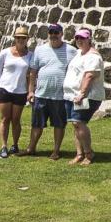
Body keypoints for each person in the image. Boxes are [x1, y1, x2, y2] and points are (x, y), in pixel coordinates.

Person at [26, 22, 75, 158]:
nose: (53, 35)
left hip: (60, 96)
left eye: (56, 33)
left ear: (61, 34)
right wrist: (31, 91)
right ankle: (31, 148)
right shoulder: (40, 50)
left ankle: (56, 150)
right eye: (51, 33)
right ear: (48, 34)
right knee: (37, 124)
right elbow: (33, 72)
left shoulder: (71, 50)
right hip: (41, 93)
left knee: (59, 124)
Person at [63, 27, 106, 166]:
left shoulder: (93, 56)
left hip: (87, 96)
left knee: (78, 122)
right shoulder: (79, 53)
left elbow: (89, 76)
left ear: (89, 39)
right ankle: (79, 154)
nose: (79, 40)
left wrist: (81, 93)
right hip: (71, 95)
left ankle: (88, 153)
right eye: (77, 38)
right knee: (75, 124)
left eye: (82, 38)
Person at [0, 25, 34, 158]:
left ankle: (15, 145)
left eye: (23, 38)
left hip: (20, 91)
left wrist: (29, 90)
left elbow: (31, 73)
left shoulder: (31, 55)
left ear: (27, 40)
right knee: (5, 118)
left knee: (16, 119)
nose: (21, 40)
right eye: (18, 37)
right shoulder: (5, 53)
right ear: (14, 38)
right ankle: (3, 146)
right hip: (5, 89)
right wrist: (2, 82)